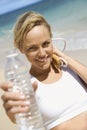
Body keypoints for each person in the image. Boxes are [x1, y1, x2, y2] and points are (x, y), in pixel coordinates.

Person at [0, 11, 87, 130]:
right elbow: (22, 118)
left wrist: (65, 57)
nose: (42, 53)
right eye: (32, 48)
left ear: (52, 41)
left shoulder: (70, 69)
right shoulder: (27, 86)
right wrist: (13, 115)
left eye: (46, 44)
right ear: (21, 48)